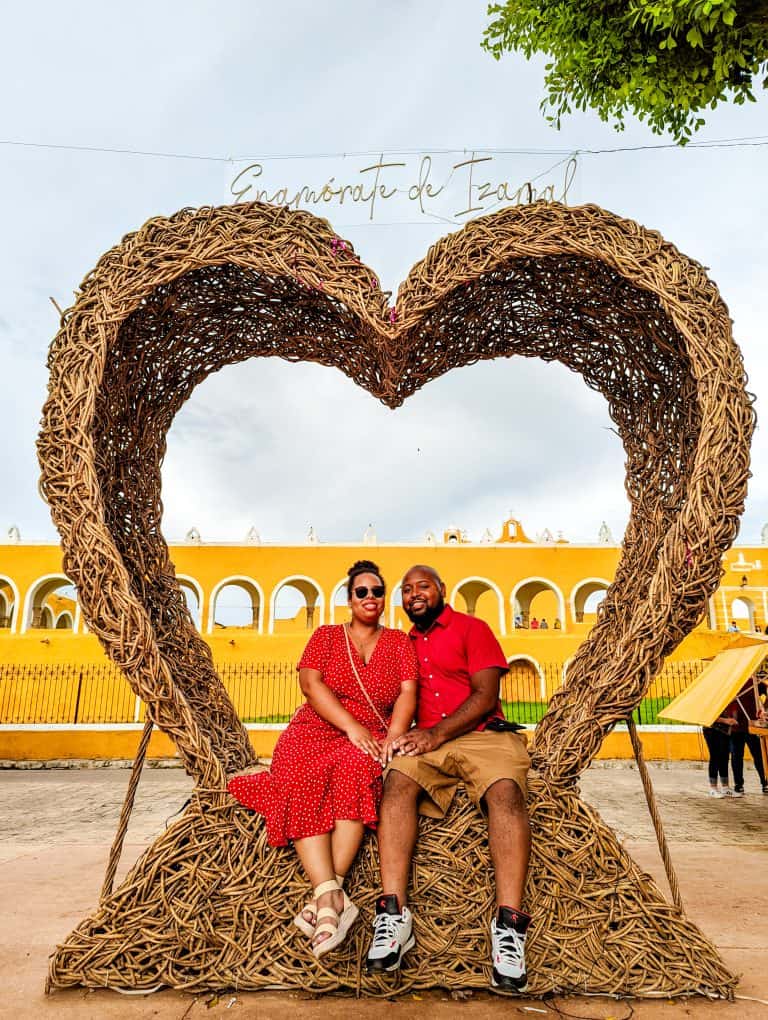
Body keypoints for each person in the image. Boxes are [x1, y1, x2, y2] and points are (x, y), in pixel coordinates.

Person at [228, 560, 417, 958]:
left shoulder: (400, 642)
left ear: (385, 599)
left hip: (371, 736)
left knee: (355, 769)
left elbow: (407, 693)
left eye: (377, 591)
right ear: (349, 599)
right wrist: (351, 727)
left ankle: (326, 899)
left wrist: (394, 736)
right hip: (317, 729)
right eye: (361, 591)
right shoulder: (327, 636)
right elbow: (310, 684)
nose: (370, 597)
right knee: (301, 775)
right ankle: (332, 896)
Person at [365, 565, 531, 992]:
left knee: (506, 793)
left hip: (479, 736)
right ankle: (392, 916)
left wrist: (435, 733)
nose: (414, 594)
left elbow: (485, 695)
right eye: (406, 589)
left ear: (442, 590)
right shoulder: (402, 644)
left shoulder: (472, 629)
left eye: (423, 586)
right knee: (396, 786)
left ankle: (509, 929)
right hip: (428, 745)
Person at [727, 679, 768, 795]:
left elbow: (766, 690)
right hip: (735, 726)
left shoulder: (753, 682)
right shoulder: (729, 682)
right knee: (736, 757)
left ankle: (765, 782)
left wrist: (763, 709)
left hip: (752, 725)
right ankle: (738, 785)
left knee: (759, 756)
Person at [702, 710, 737, 798]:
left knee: (724, 757)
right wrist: (725, 720)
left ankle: (725, 788)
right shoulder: (709, 699)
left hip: (724, 730)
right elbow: (706, 715)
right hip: (711, 729)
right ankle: (713, 788)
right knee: (715, 756)